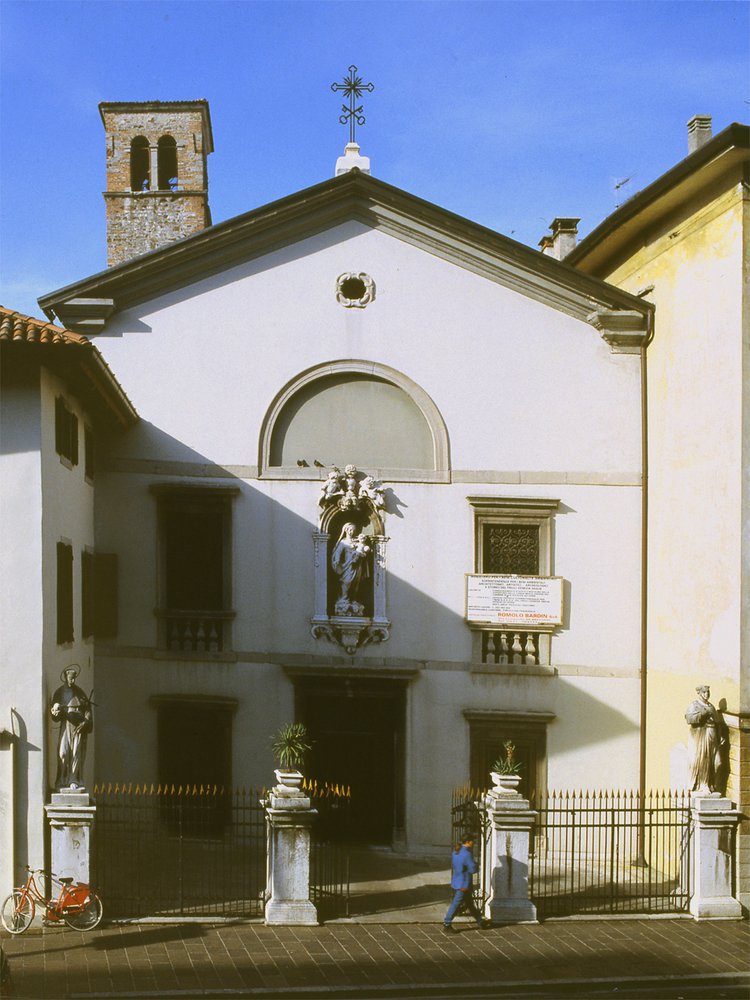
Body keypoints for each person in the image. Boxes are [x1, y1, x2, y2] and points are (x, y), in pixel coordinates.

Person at [50, 665, 93, 790]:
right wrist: (56, 711)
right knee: (63, 753)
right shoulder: (59, 692)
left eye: (74, 678)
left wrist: (85, 722)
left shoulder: (80, 692)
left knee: (76, 753)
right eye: (70, 678)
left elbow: (87, 710)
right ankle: (62, 779)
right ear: (65, 677)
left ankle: (73, 779)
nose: (72, 681)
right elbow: (55, 714)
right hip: (66, 724)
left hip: (78, 726)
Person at [685, 685, 724, 793]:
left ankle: (712, 784)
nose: (707, 694)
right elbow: (689, 719)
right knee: (703, 761)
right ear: (699, 693)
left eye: (708, 692)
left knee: (717, 762)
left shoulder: (711, 706)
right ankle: (703, 784)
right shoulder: (694, 705)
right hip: (701, 736)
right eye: (705, 692)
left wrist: (720, 735)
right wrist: (702, 714)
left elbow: (717, 723)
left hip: (712, 736)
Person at [443, 835, 486, 931]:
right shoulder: (467, 854)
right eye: (472, 841)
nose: (474, 843)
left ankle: (480, 921)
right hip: (464, 884)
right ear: (468, 841)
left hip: (458, 881)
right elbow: (473, 869)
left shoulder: (456, 851)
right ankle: (447, 923)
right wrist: (476, 865)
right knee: (456, 904)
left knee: (470, 904)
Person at [331, 522, 370, 614]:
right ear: (346, 530)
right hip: (347, 566)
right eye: (350, 530)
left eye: (353, 530)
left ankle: (353, 599)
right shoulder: (343, 542)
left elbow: (364, 549)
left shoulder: (356, 542)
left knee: (356, 583)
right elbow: (338, 553)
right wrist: (337, 561)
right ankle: (344, 599)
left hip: (357, 566)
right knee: (347, 582)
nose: (352, 532)